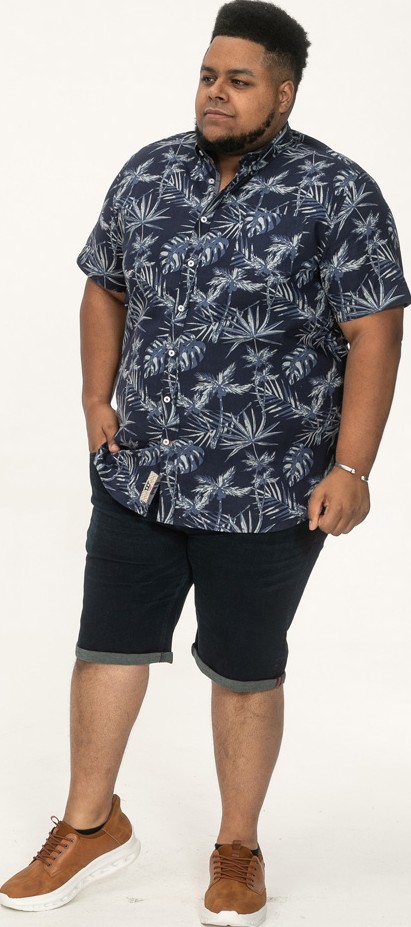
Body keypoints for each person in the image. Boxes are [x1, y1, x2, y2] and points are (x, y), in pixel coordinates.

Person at [1, 1, 409, 924]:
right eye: (206, 76)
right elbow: (104, 284)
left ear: (283, 93)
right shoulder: (150, 172)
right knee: (105, 646)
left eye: (238, 80)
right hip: (139, 471)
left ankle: (237, 847)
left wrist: (352, 467)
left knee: (244, 667)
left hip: (270, 485)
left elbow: (374, 329)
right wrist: (95, 401)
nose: (215, 93)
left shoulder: (336, 192)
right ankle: (90, 825)